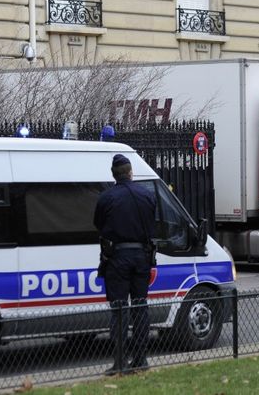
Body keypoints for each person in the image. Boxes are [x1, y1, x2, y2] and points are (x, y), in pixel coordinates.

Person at [94, 154, 157, 376]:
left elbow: (99, 225)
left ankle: (120, 362)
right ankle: (140, 359)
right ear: (131, 173)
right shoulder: (147, 195)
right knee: (140, 308)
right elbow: (153, 223)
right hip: (142, 257)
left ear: (114, 175)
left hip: (117, 258)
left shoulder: (107, 198)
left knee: (119, 311)